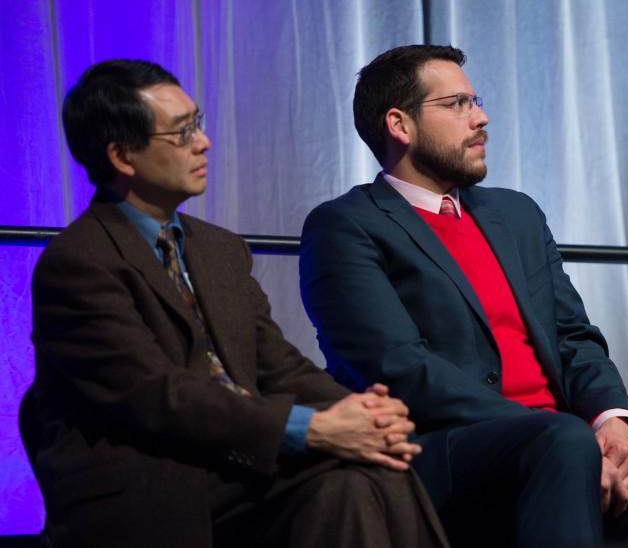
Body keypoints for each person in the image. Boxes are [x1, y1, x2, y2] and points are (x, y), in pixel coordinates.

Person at [299, 44, 628, 547]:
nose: (480, 117)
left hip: (568, 443)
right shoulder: (346, 226)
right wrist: (567, 437)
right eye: (457, 104)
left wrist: (611, 422)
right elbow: (399, 369)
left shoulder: (516, 214)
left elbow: (572, 336)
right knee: (561, 440)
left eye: (476, 100)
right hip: (447, 455)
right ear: (400, 124)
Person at [19, 59, 447, 548]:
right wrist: (312, 429)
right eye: (181, 134)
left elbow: (279, 365)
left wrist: (360, 413)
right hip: (155, 478)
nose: (203, 143)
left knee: (376, 464)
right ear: (122, 156)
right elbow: (160, 397)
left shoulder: (218, 249)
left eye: (197, 124)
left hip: (240, 459)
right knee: (344, 477)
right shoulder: (79, 263)